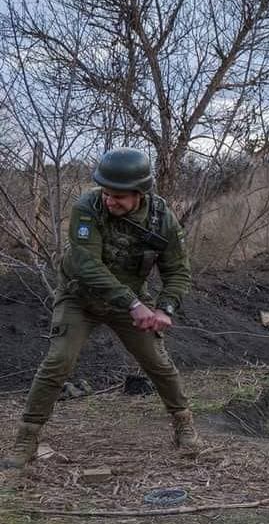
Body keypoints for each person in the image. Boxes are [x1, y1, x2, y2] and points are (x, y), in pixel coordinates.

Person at [1, 148, 199, 469]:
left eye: (118, 196)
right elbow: (86, 266)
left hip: (128, 302)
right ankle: (27, 437)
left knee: (158, 362)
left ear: (139, 193)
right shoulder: (87, 207)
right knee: (58, 361)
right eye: (106, 193)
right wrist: (133, 304)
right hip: (80, 298)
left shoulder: (162, 220)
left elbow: (177, 270)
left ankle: (183, 424)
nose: (109, 200)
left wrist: (165, 308)